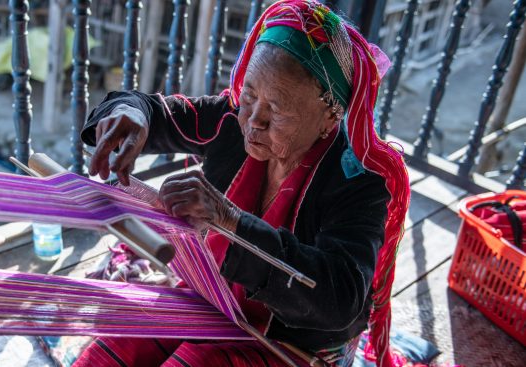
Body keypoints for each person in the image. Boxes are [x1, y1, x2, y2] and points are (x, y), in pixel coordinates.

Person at [74, 1, 410, 366]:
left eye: (276, 111)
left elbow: (340, 299)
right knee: (110, 349)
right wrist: (129, 113)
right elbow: (154, 110)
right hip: (213, 298)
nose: (252, 121)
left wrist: (230, 220)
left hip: (291, 342)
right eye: (248, 96)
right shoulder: (231, 121)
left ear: (331, 115)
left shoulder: (358, 181)